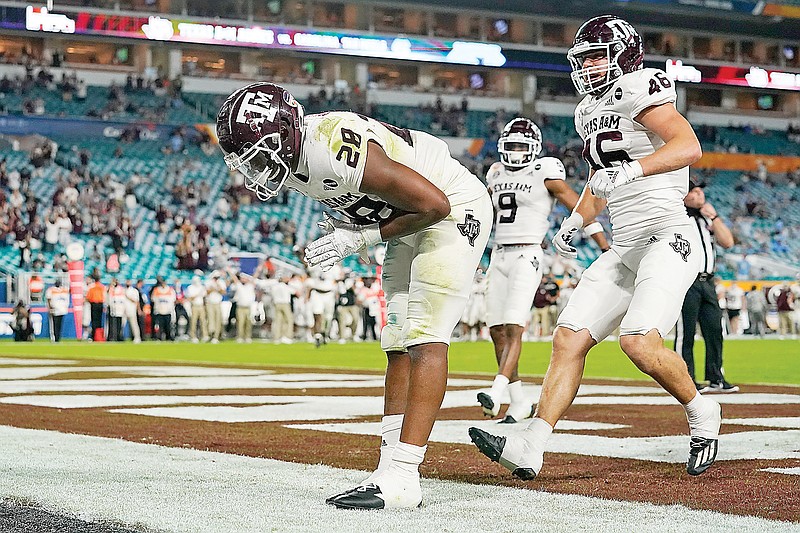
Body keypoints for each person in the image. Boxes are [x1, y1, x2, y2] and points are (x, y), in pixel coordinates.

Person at [469, 15, 721, 481]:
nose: (586, 68)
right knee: (568, 337)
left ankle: (703, 411)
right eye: (581, 59)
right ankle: (532, 444)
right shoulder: (587, 110)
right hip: (625, 244)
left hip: (668, 235)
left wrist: (634, 171)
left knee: (638, 342)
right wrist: (577, 219)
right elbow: (600, 179)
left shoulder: (641, 86)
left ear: (624, 54)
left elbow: (688, 145)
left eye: (594, 56)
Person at [216, 82, 491, 509]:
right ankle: (389, 467)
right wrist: (354, 229)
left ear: (285, 134)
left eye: (257, 156)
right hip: (410, 218)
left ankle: (405, 475)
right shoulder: (296, 162)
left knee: (425, 335)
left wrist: (360, 237)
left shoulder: (331, 146)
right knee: (397, 343)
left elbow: (434, 204)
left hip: (453, 206)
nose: (254, 172)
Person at [479, 118, 609, 423]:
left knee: (514, 326)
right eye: (509, 146)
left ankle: (497, 390)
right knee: (497, 330)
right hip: (498, 255)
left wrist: (603, 245)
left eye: (520, 146)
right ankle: (519, 401)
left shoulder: (544, 172)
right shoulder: (495, 173)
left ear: (534, 149)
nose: (513, 152)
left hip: (528, 252)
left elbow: (579, 208)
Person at [675, 180, 738, 393]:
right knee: (686, 333)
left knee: (715, 330)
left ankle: (715, 376)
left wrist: (715, 217)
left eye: (700, 190)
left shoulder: (705, 219)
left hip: (708, 281)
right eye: (694, 190)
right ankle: (685, 379)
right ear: (683, 195)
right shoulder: (677, 216)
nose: (699, 194)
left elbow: (728, 242)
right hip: (687, 280)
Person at [86, 274, 105, 341]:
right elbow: (104, 296)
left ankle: (94, 336)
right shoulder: (102, 287)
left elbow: (88, 297)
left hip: (94, 304)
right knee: (99, 321)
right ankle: (99, 336)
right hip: (100, 304)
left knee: (94, 321)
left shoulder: (92, 287)